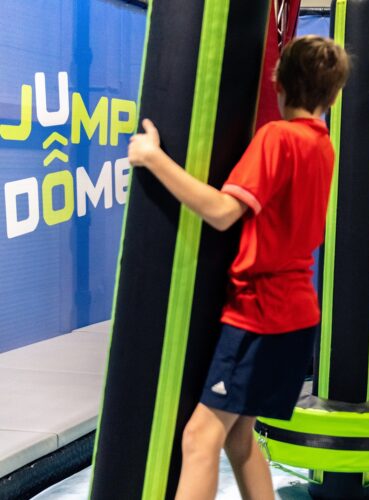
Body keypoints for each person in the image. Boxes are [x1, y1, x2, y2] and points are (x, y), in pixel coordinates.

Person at [127, 35, 350, 500]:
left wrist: (153, 158)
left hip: (261, 315)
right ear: (333, 95)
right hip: (297, 317)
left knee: (199, 438)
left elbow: (223, 211)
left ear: (279, 82)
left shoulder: (278, 137)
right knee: (238, 437)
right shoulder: (323, 147)